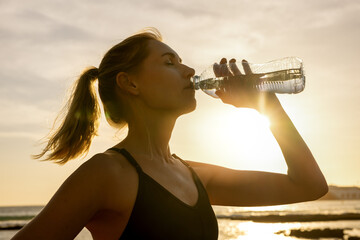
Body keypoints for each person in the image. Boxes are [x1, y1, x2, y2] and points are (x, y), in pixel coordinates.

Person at [12, 28, 328, 240]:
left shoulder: (195, 176)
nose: (189, 70)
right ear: (130, 83)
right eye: (169, 62)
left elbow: (309, 185)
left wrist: (267, 105)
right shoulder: (107, 174)